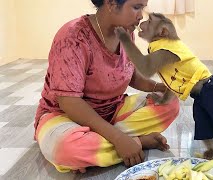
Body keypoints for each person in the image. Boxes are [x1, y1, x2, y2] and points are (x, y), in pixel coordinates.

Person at [33, 0, 179, 173]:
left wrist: (160, 87)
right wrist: (118, 138)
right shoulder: (72, 37)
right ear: (111, 3)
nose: (141, 16)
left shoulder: (125, 32)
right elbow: (69, 102)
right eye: (136, 7)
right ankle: (135, 142)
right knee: (66, 149)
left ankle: (103, 146)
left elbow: (130, 75)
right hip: (66, 117)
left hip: (112, 110)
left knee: (170, 103)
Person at [114, 13, 213, 171]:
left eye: (149, 22)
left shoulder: (167, 50)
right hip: (200, 93)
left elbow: (145, 68)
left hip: (212, 88)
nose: (142, 24)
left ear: (162, 32)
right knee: (202, 122)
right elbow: (174, 78)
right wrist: (164, 100)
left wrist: (125, 40)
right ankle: (212, 150)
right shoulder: (161, 46)